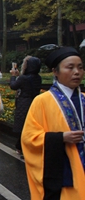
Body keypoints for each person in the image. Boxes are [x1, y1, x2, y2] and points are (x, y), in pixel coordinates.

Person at [22, 47, 85, 199]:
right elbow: (29, 138)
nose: (77, 72)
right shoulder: (42, 101)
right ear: (55, 71)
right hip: (64, 174)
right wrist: (60, 138)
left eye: (80, 67)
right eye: (70, 67)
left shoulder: (83, 98)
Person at [9, 56, 41, 158]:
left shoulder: (24, 78)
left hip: (24, 102)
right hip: (34, 102)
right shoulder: (37, 78)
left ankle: (22, 148)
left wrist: (13, 76)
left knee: (23, 126)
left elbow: (13, 85)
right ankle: (21, 146)